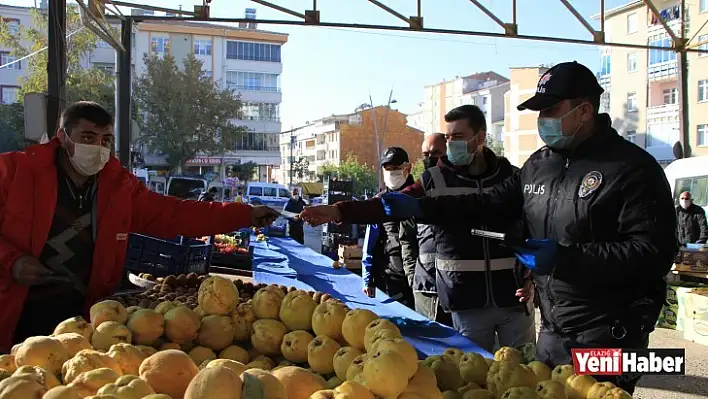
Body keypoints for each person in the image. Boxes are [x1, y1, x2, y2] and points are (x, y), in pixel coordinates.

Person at [374, 62, 677, 394]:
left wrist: (565, 259)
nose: (542, 119)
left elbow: (653, 254)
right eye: (539, 111)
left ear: (585, 110)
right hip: (553, 330)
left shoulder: (633, 169)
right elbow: (486, 203)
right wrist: (423, 207)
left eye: (550, 109)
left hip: (612, 335)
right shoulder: (538, 166)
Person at [0, 101, 279, 351]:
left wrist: (244, 215)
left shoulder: (118, 187)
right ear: (62, 137)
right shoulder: (14, 172)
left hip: (85, 318)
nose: (98, 147)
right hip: (14, 309)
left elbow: (175, 214)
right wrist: (11, 261)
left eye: (105, 139)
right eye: (87, 137)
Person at [301, 107, 535, 353]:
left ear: (480, 137)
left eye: (458, 136)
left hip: (514, 299)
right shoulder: (436, 179)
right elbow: (386, 206)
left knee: (527, 373)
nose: (451, 143)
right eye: (448, 137)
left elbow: (533, 224)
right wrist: (339, 211)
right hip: (465, 301)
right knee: (476, 379)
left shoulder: (511, 176)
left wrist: (532, 276)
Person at [360, 147, 418, 309]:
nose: (392, 173)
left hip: (422, 282)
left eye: (396, 169)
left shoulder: (421, 198)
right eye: (388, 169)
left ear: (408, 168)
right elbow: (369, 245)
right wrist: (368, 278)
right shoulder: (380, 203)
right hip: (392, 280)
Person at [413, 133, 452, 326]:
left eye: (436, 153)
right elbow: (408, 240)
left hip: (453, 288)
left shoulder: (458, 187)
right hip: (425, 287)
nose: (430, 158)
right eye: (425, 153)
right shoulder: (421, 188)